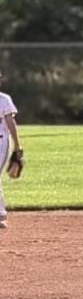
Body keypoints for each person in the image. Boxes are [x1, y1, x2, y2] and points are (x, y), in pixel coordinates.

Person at [0, 72, 23, 230]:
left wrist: (17, 145)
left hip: (1, 141)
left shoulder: (4, 99)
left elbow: (10, 122)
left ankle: (1, 215)